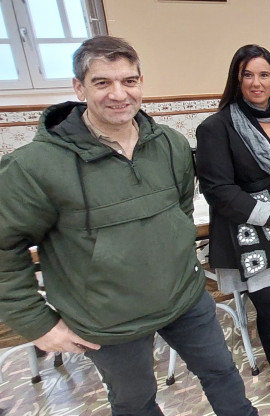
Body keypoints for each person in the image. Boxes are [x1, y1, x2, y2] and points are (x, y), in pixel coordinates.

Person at [0, 36, 256, 416]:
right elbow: (5, 248)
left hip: (185, 299)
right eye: (102, 82)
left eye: (129, 81)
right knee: (135, 402)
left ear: (140, 83)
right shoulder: (34, 166)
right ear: (78, 87)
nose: (118, 94)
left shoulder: (169, 145)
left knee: (223, 375)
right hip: (109, 322)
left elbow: (179, 210)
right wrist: (36, 323)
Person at [195, 45, 270, 414]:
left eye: (264, 75)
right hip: (251, 233)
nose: (256, 82)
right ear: (237, 79)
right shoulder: (217, 127)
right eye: (248, 75)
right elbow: (218, 189)